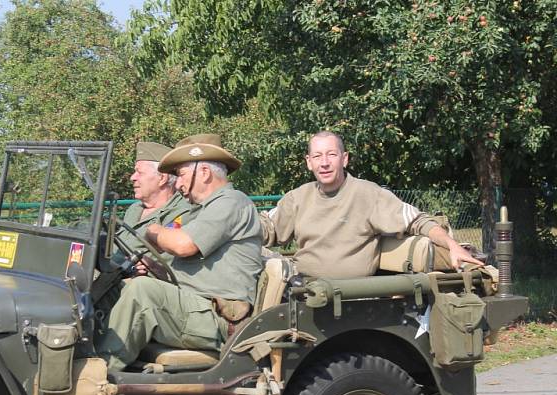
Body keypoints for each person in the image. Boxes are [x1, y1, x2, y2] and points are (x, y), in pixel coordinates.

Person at [98, 134, 263, 371]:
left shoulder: (231, 201)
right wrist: (155, 268)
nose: (179, 183)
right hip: (197, 306)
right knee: (112, 288)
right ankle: (80, 356)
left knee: (142, 291)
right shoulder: (204, 208)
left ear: (204, 172)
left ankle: (99, 376)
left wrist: (153, 231)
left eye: (182, 174)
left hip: (218, 316)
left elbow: (184, 245)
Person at [262, 131, 483, 278]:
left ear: (345, 159)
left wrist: (453, 246)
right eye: (318, 156)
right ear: (309, 162)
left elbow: (418, 220)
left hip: (353, 298)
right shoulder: (298, 198)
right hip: (304, 291)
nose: (325, 163)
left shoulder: (368, 194)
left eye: (332, 154)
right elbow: (268, 228)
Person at [115, 142, 194, 275]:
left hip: (142, 286)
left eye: (139, 173)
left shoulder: (181, 213)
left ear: (162, 178)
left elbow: (167, 268)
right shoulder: (135, 209)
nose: (132, 177)